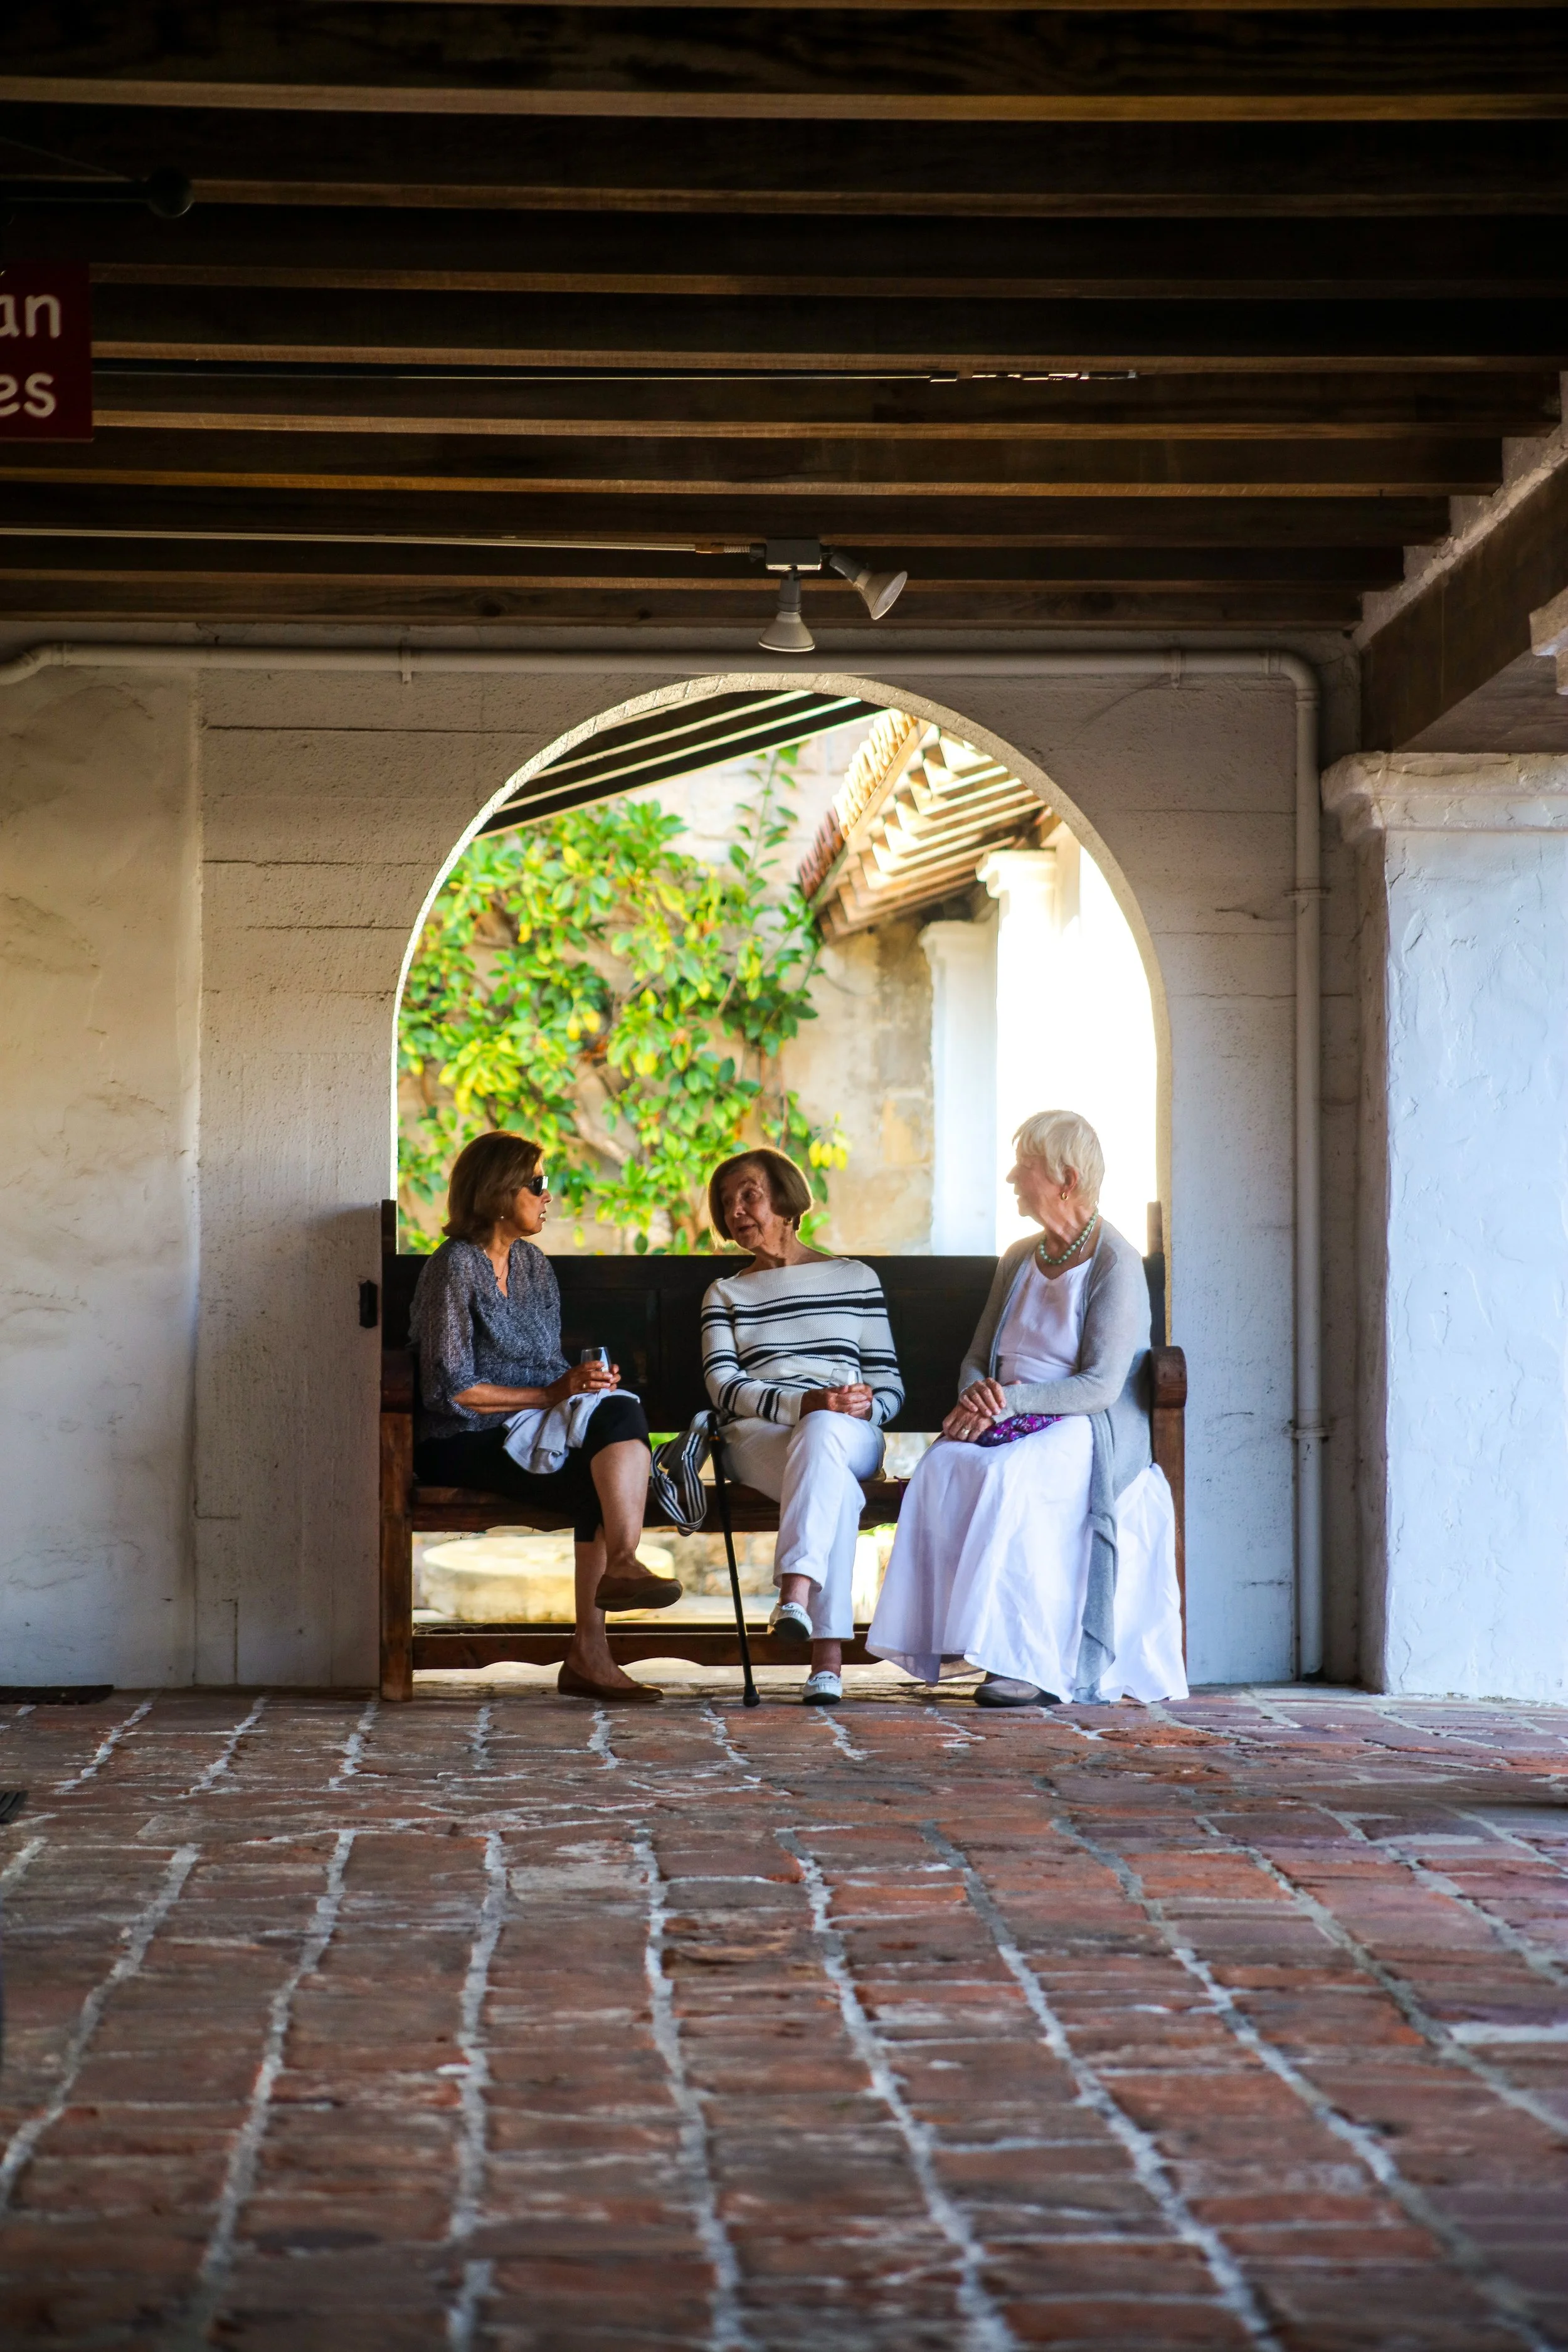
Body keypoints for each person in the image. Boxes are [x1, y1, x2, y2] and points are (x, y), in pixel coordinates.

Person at [868, 1109, 1187, 1708]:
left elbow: (1099, 1386)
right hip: (1006, 1411)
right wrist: (979, 1396)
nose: (1013, 1176)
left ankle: (1025, 1663)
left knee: (1012, 1476)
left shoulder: (1113, 1263)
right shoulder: (1019, 1256)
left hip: (1084, 1424)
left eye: (1027, 1166)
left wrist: (1007, 1403)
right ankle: (959, 1641)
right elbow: (976, 1354)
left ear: (1065, 1178)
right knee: (940, 1468)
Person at [409, 1130, 677, 1706]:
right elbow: (448, 1388)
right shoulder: (452, 1268)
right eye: (538, 1183)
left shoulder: (534, 1267)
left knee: (618, 1415)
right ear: (500, 1191)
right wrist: (553, 1395)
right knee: (602, 1474)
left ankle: (596, 1636)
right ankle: (598, 1636)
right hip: (462, 1436)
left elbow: (550, 1366)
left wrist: (583, 1387)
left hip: (530, 1428)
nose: (547, 1195)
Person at [701, 1148, 903, 1707]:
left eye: (749, 1194)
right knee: (826, 1467)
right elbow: (724, 1389)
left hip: (848, 1431)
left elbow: (889, 1385)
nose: (736, 1209)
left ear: (786, 1200)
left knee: (824, 1438)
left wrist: (868, 1406)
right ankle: (827, 1661)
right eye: (726, 1202)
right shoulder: (725, 1293)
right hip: (758, 1437)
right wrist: (803, 1403)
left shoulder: (855, 1278)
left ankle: (794, 1594)